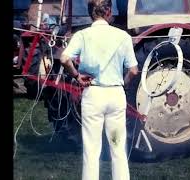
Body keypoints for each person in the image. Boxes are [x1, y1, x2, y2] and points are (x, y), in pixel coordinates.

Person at [59, 0, 138, 179]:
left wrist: (77, 76)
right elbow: (133, 70)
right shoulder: (122, 36)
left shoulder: (82, 35)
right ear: (109, 11)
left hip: (93, 95)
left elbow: (64, 59)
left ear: (90, 13)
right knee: (118, 148)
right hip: (116, 95)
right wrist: (123, 83)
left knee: (91, 151)